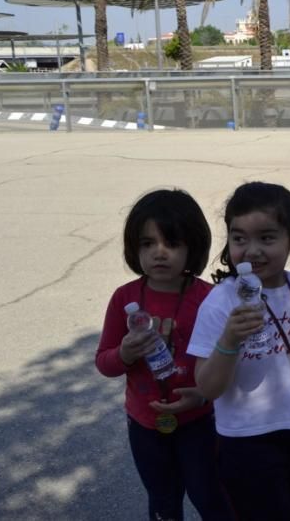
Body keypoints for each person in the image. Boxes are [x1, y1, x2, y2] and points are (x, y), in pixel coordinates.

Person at [188, 182, 290, 521]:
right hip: (245, 443)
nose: (251, 251)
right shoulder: (221, 302)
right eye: (239, 239)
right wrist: (229, 341)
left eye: (266, 238)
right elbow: (207, 388)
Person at [95, 189, 232, 520]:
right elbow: (105, 363)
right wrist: (125, 353)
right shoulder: (125, 298)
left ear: (192, 246)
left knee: (210, 497)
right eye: (147, 243)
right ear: (133, 247)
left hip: (199, 423)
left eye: (171, 243)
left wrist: (202, 395)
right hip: (145, 425)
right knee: (162, 501)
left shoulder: (209, 298)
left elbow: (227, 363)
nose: (159, 253)